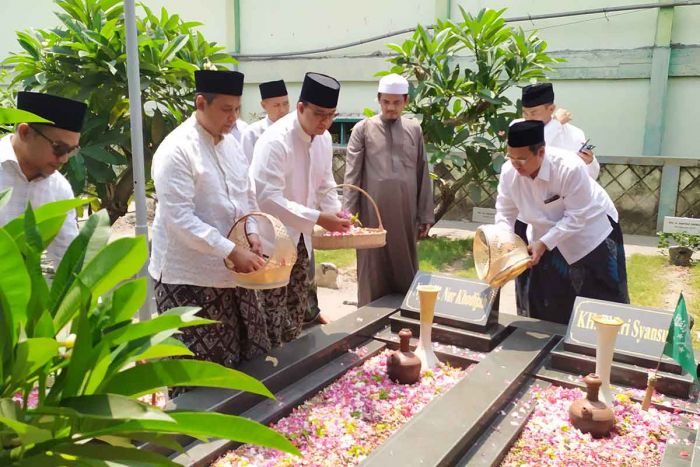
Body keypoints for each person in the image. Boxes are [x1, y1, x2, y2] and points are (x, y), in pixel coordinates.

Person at [149, 69, 269, 368]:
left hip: (234, 274)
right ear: (201, 103)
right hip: (189, 279)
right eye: (226, 110)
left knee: (248, 361)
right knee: (200, 373)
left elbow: (245, 195)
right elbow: (179, 220)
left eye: (237, 109)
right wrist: (230, 250)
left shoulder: (231, 143)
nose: (233, 118)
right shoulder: (177, 150)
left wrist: (251, 230)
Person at [495, 120, 629, 325]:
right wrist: (504, 239)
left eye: (521, 159)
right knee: (548, 301)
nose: (515, 164)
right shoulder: (508, 172)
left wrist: (545, 243)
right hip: (545, 234)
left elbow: (577, 217)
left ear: (541, 152)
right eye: (510, 157)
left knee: (598, 303)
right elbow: (505, 212)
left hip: (588, 234)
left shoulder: (569, 167)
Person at [252, 72, 351, 345]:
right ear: (300, 108)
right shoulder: (275, 141)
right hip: (271, 243)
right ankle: (268, 374)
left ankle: (293, 373)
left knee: (295, 312)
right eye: (319, 114)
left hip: (302, 243)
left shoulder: (324, 139)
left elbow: (324, 183)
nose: (326, 122)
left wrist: (337, 214)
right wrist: (319, 217)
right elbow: (267, 198)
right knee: (269, 314)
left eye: (331, 115)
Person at [343, 74, 434, 307]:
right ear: (378, 99)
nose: (390, 107)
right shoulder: (362, 129)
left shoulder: (414, 129)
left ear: (405, 101)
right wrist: (348, 216)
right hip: (371, 214)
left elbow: (423, 171)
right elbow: (352, 175)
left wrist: (425, 215)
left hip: (405, 213)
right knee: (372, 267)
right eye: (386, 102)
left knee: (405, 264)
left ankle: (408, 313)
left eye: (396, 102)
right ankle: (369, 316)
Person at [0, 91, 87, 265]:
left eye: (71, 151)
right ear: (25, 132)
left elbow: (68, 258)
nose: (64, 159)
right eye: (59, 148)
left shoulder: (58, 188)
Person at [518, 83, 599, 179]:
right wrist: (555, 125)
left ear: (551, 109)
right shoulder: (518, 129)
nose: (528, 118)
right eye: (525, 113)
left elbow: (590, 177)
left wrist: (589, 162)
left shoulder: (575, 133)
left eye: (533, 113)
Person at [240, 79, 290, 163]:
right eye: (276, 105)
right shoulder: (252, 134)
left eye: (285, 104)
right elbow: (246, 167)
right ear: (264, 105)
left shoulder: (295, 129)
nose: (282, 110)